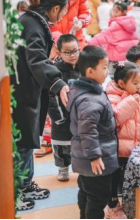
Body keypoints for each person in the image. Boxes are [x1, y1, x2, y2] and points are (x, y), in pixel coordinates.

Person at [12, 0, 69, 211]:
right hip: (21, 88)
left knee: (27, 140)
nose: (63, 16)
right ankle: (16, 190)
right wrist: (58, 82)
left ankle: (24, 184)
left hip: (25, 86)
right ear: (55, 8)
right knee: (22, 142)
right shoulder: (33, 23)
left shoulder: (31, 19)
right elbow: (35, 59)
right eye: (63, 11)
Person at [67, 46, 119, 219]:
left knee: (86, 192)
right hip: (97, 160)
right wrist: (95, 156)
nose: (107, 71)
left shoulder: (86, 90)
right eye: (104, 68)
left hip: (85, 158)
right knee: (98, 198)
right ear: (90, 71)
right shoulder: (89, 99)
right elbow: (88, 131)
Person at [105, 62, 140, 219]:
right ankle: (112, 208)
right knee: (114, 182)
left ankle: (132, 209)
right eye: (135, 83)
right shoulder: (111, 97)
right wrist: (132, 101)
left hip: (137, 151)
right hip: (119, 151)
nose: (139, 86)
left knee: (134, 184)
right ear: (121, 83)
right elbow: (116, 118)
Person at [48, 34, 80, 182]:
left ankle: (80, 166)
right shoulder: (55, 71)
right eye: (68, 52)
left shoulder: (84, 68)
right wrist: (58, 117)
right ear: (59, 52)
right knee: (61, 145)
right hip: (62, 115)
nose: (72, 55)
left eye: (75, 51)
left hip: (80, 115)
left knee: (79, 143)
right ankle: (63, 168)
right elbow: (50, 97)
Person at [88, 0, 139, 72]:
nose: (114, 14)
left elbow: (104, 36)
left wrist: (88, 43)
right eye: (113, 11)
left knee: (113, 77)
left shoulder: (116, 24)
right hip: (128, 58)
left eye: (116, 12)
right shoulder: (131, 23)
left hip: (116, 59)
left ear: (124, 12)